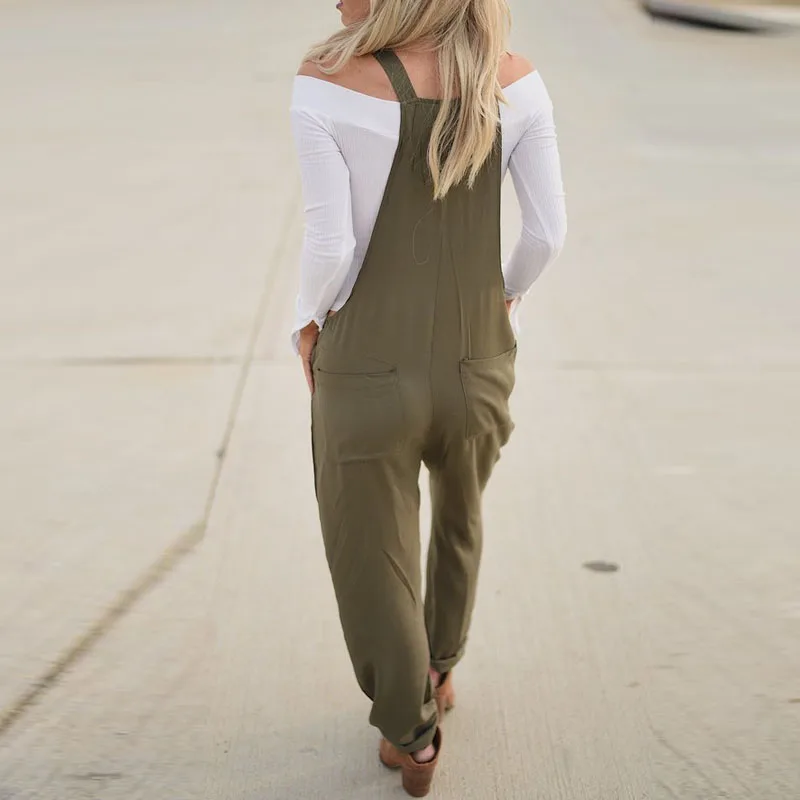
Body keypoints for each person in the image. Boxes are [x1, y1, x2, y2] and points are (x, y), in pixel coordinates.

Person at [289, 0, 566, 794]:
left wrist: (306, 325)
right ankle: (440, 671)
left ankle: (412, 734)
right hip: (480, 355)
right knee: (461, 513)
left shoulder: (328, 78)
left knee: (370, 547)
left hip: (368, 360)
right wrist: (500, 301)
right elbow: (547, 234)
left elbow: (331, 244)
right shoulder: (516, 80)